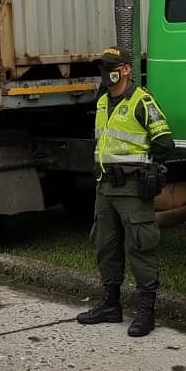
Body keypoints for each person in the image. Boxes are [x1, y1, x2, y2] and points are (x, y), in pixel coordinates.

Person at [76, 46, 174, 337]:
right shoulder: (104, 101)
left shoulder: (141, 101)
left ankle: (147, 312)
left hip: (132, 188)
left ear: (127, 69)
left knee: (140, 247)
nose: (107, 73)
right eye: (104, 67)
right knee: (105, 245)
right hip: (105, 187)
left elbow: (164, 143)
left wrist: (148, 169)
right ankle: (110, 305)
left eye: (112, 67)